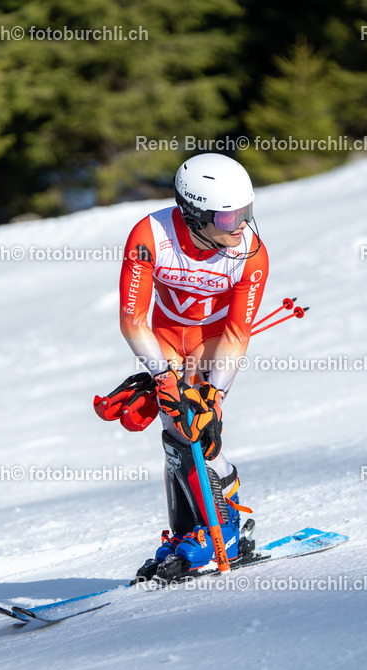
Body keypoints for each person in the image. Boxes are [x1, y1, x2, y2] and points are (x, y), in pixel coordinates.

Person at [115, 152, 269, 582]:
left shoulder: (251, 255)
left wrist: (215, 397)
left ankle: (224, 530)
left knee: (196, 428)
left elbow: (238, 333)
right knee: (174, 434)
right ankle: (191, 534)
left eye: (245, 212)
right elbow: (133, 319)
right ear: (193, 213)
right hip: (163, 338)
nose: (239, 225)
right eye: (226, 218)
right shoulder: (150, 236)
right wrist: (163, 376)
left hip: (211, 343)